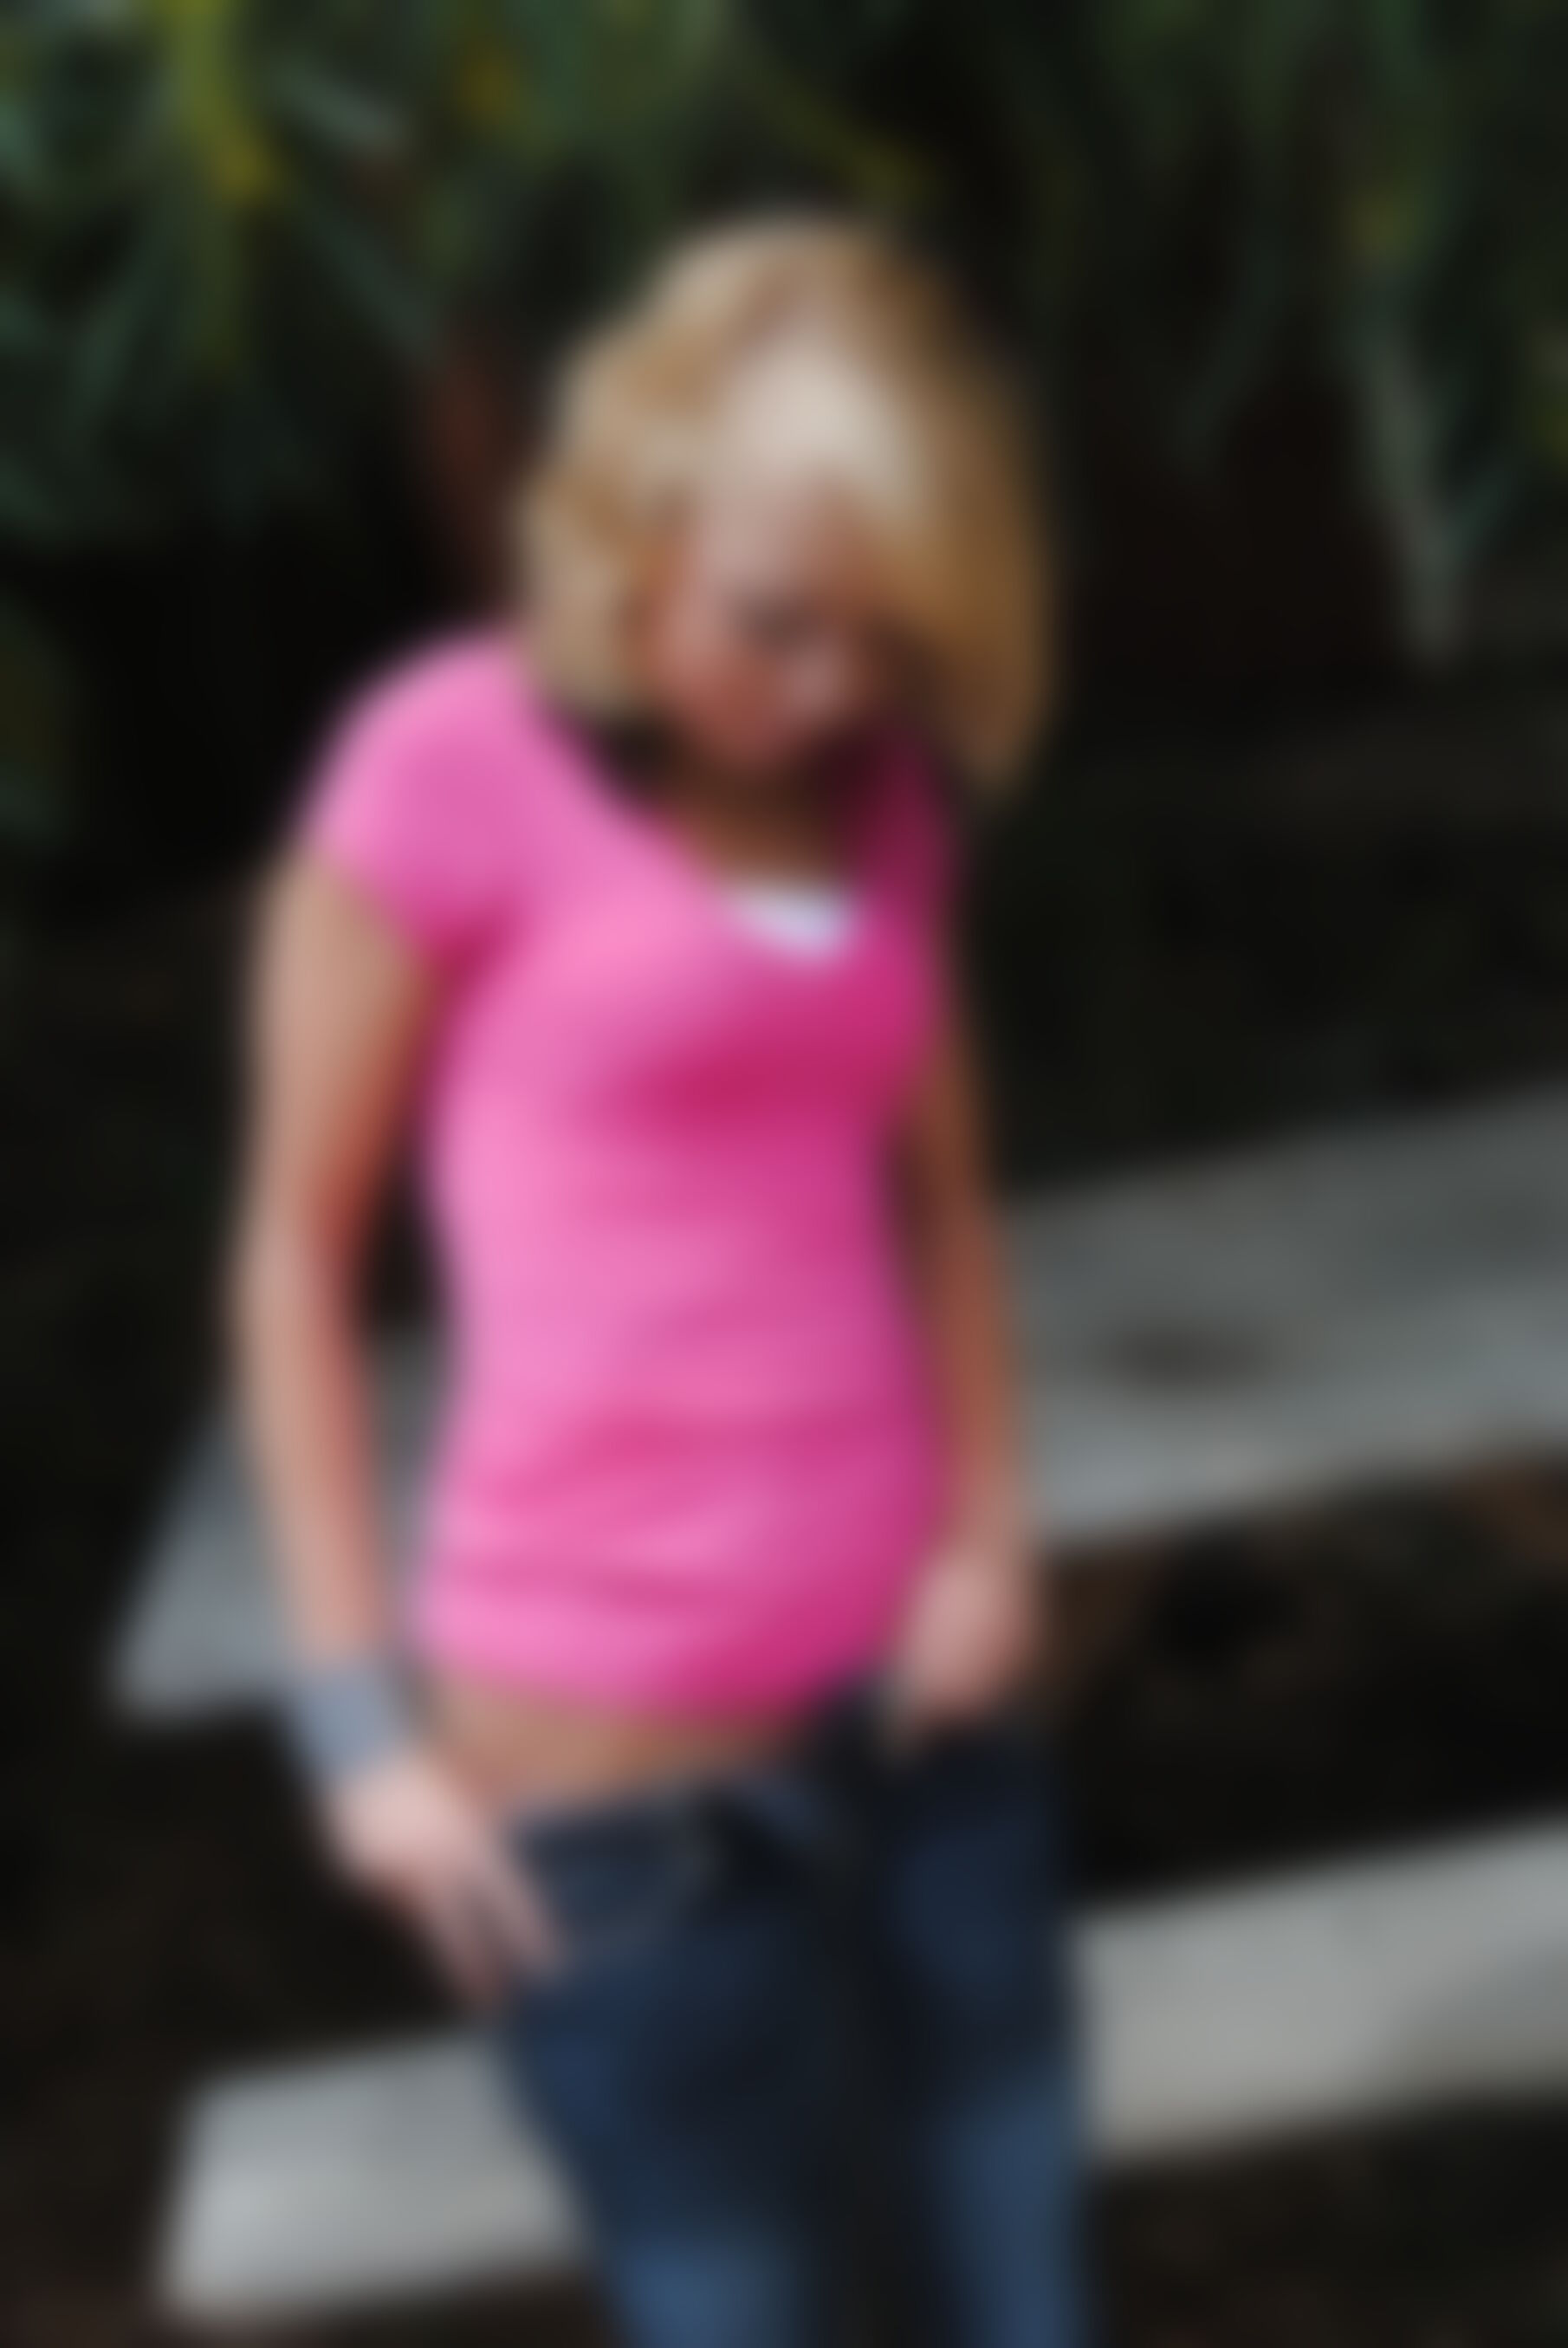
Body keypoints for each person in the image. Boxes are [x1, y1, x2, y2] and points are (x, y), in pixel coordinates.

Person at [231, 217, 1087, 2348]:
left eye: (886, 643)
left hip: (927, 1733)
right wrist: (354, 1732)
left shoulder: (880, 801)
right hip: (620, 1821)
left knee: (1023, 2307)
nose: (832, 691)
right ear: (637, 511)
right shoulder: (443, 762)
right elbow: (291, 1249)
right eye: (776, 621)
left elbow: (942, 1205)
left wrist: (987, 1534)